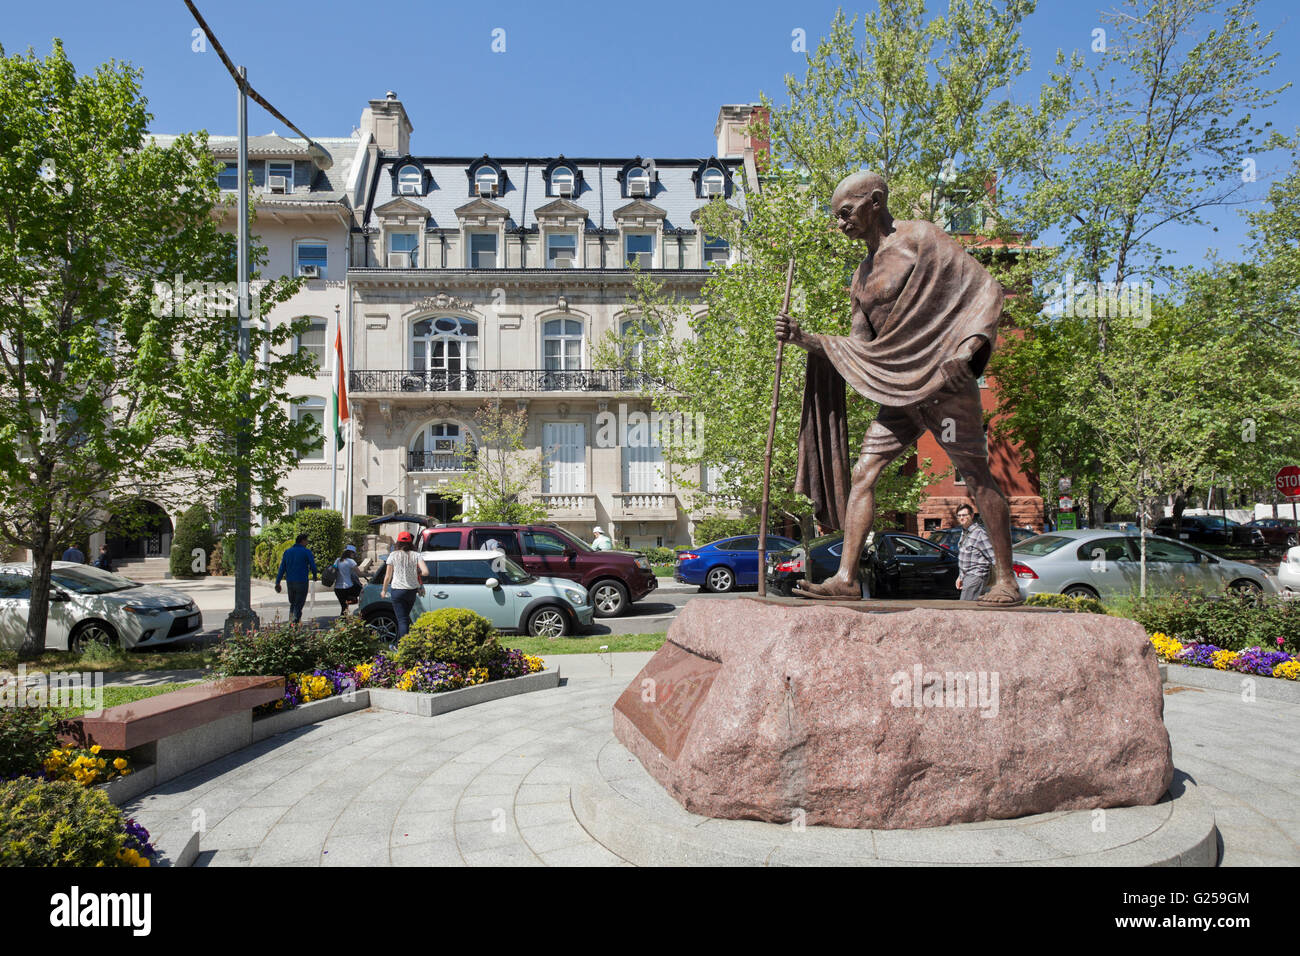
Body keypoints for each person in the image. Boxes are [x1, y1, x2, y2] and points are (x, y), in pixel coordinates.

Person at [776, 170, 1021, 605]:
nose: (841, 223)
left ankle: (1006, 581)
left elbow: (984, 290)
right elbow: (861, 347)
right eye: (836, 217)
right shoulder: (860, 277)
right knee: (864, 472)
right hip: (899, 392)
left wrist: (965, 356)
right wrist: (806, 339)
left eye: (846, 213)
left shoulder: (922, 238)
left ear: (874, 201)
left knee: (977, 474)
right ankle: (847, 578)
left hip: (944, 385)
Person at [381, 531, 428, 639]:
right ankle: (400, 643)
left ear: (398, 542)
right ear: (410, 542)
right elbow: (425, 572)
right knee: (404, 619)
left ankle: (402, 646)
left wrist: (384, 590)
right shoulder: (416, 555)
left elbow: (388, 576)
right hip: (411, 591)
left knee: (402, 620)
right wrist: (417, 573)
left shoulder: (393, 555)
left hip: (397, 590)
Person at [954, 503, 995, 602]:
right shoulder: (965, 532)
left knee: (965, 607)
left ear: (972, 516)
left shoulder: (980, 534)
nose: (961, 518)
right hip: (967, 576)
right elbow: (964, 557)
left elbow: (993, 557)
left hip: (976, 575)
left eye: (964, 515)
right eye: (959, 516)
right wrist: (960, 576)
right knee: (968, 607)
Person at [274, 533, 318, 624]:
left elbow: (282, 568)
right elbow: (313, 566)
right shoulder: (306, 552)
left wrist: (277, 582)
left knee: (293, 603)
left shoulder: (287, 552)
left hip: (290, 582)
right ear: (302, 541)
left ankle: (292, 621)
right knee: (299, 604)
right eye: (306, 540)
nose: (307, 542)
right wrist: (314, 576)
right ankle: (294, 624)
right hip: (301, 581)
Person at [331, 544, 362, 616]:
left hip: (337, 589)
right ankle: (343, 622)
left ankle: (344, 622)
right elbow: (359, 574)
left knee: (344, 607)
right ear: (351, 553)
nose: (354, 555)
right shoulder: (351, 561)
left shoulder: (338, 560)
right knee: (361, 591)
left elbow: (333, 571)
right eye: (354, 553)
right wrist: (370, 574)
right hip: (348, 588)